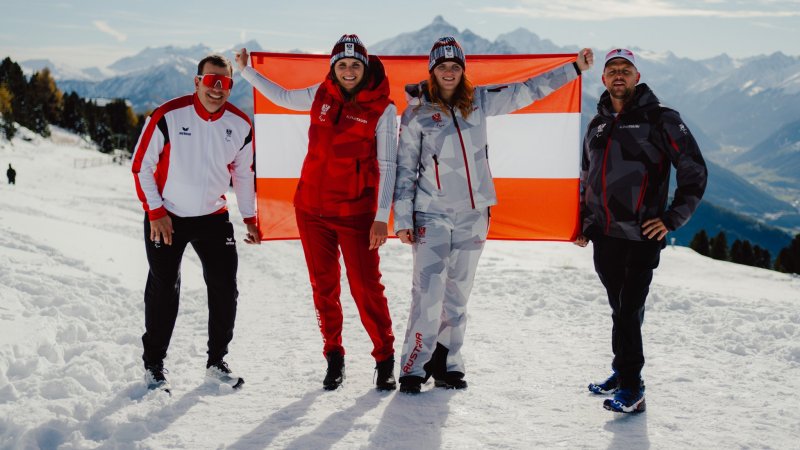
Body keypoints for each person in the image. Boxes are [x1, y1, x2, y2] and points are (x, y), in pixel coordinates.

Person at [393, 36, 594, 394]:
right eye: (443, 67)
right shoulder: (417, 114)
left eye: (455, 66)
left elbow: (528, 90)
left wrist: (574, 68)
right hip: (431, 214)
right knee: (428, 293)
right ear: (432, 71)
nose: (450, 72)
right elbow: (405, 170)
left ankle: (448, 363)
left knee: (457, 295)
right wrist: (404, 220)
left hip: (474, 214)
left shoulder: (480, 102)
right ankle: (413, 366)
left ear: (463, 70)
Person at [236, 35, 398, 391]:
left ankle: (384, 358)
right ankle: (334, 356)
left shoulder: (383, 109)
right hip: (311, 209)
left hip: (356, 214)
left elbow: (388, 165)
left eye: (355, 65)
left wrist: (380, 218)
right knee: (324, 288)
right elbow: (281, 96)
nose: (349, 71)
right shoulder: (320, 94)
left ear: (366, 66)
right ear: (333, 68)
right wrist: (246, 71)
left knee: (365, 288)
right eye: (342, 65)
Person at [575, 48, 707, 413]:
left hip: (642, 235)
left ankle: (632, 387)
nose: (619, 75)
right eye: (612, 70)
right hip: (604, 235)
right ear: (603, 79)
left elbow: (694, 169)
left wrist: (670, 218)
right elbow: (586, 177)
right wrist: (585, 223)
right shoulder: (596, 124)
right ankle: (621, 371)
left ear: (637, 76)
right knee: (620, 308)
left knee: (629, 309)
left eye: (626, 69)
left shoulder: (661, 118)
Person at [131, 54, 260, 393]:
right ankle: (154, 366)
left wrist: (249, 216)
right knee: (164, 288)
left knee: (225, 289)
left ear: (231, 86)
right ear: (196, 82)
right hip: (167, 216)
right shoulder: (167, 116)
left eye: (225, 83)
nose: (217, 89)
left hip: (213, 218)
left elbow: (244, 175)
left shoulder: (241, 125)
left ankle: (217, 361)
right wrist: (156, 211)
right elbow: (141, 167)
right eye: (210, 81)